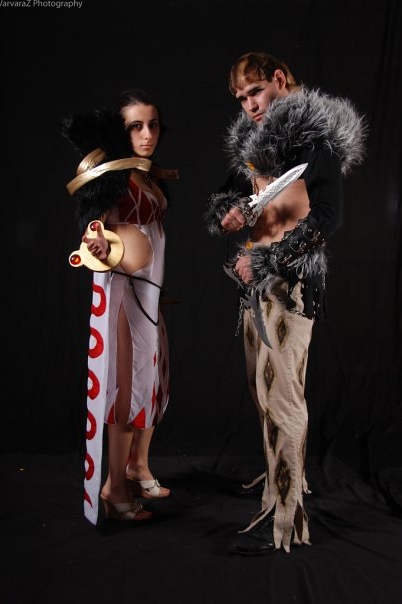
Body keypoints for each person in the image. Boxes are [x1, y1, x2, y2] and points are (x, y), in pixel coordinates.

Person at [205, 52, 367, 554]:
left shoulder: (316, 137)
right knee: (264, 394)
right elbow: (233, 198)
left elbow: (329, 217)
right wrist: (232, 213)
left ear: (279, 79)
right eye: (241, 98)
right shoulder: (256, 144)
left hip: (290, 285)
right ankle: (280, 480)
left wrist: (270, 259)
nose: (249, 105)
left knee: (283, 399)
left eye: (255, 92)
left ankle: (286, 517)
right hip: (253, 287)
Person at [63, 89, 179, 524]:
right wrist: (96, 241)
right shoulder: (113, 179)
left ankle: (136, 467)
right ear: (120, 131)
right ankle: (113, 487)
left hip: (149, 294)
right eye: (136, 126)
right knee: (126, 391)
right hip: (123, 296)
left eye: (153, 125)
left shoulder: (148, 176)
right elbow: (94, 230)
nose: (147, 134)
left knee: (151, 384)